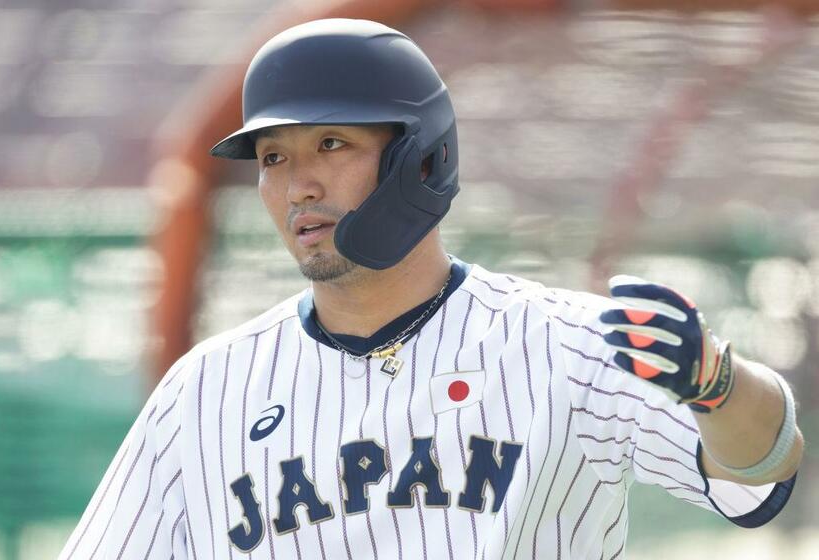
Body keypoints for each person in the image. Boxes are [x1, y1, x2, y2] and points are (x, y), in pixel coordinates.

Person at [60, 18, 803, 559]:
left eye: (330, 144)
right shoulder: (205, 390)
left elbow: (758, 472)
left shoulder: (567, 344)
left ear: (421, 158)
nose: (299, 185)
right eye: (273, 157)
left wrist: (718, 383)